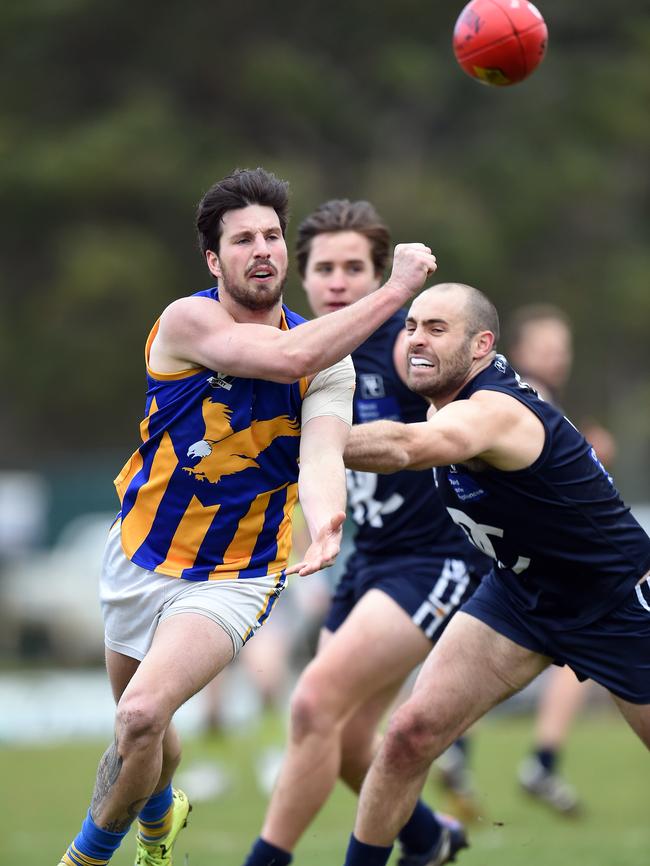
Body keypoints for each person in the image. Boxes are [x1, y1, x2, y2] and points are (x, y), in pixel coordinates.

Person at [56, 167, 438, 866]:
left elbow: (322, 453)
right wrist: (396, 289)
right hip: (139, 553)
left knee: (141, 714)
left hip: (236, 574)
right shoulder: (188, 320)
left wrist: (327, 517)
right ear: (214, 259)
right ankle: (161, 813)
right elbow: (289, 355)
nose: (262, 249)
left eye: (271, 236)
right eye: (242, 240)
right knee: (142, 730)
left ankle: (82, 859)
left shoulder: (333, 367)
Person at [339, 282, 650, 866]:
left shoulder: (495, 409)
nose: (415, 341)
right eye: (410, 328)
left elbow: (410, 447)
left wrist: (295, 442)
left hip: (617, 603)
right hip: (520, 596)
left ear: (481, 345)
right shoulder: (444, 399)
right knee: (409, 736)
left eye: (437, 329)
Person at [240, 200, 490, 866]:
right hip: (367, 560)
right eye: (324, 267)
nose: (338, 281)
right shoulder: (298, 353)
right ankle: (429, 838)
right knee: (349, 743)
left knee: (312, 702)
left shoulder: (407, 347)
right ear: (303, 275)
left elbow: (486, 409)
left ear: (383, 275)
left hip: (435, 557)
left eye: (355, 267)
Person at [507, 304, 618, 815]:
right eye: (546, 346)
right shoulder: (527, 397)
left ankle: (540, 763)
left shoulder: (544, 400)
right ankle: (535, 762)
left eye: (562, 348)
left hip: (553, 561)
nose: (557, 357)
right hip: (542, 562)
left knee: (579, 664)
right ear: (521, 349)